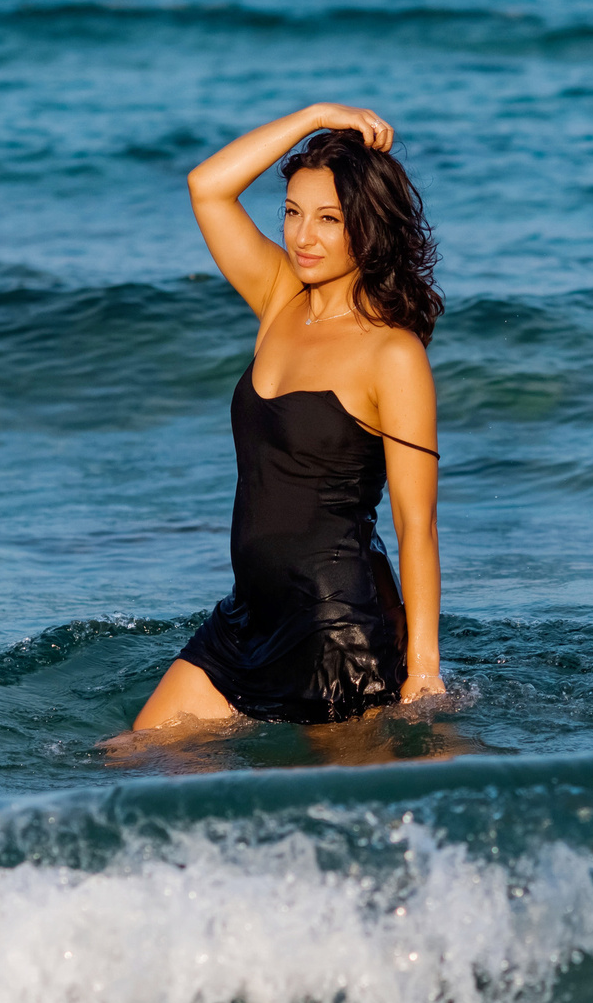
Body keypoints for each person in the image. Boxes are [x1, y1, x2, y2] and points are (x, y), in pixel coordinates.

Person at [121, 103, 445, 737]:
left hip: (333, 631)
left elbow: (418, 524)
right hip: (246, 619)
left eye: (329, 219)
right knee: (131, 762)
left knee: (357, 800)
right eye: (293, 213)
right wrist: (314, 116)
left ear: (369, 226)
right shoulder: (280, 298)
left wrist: (424, 670)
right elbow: (207, 186)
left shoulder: (392, 353)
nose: (302, 237)